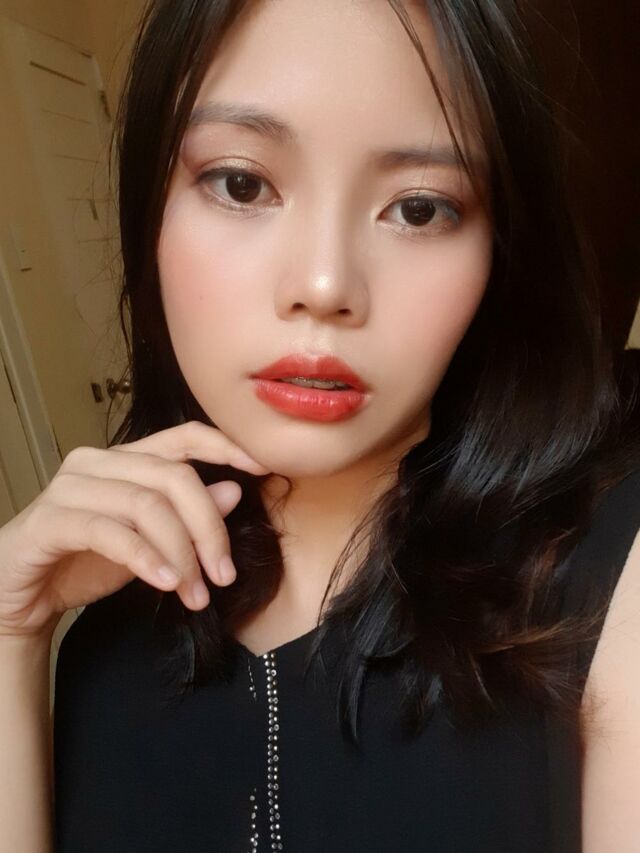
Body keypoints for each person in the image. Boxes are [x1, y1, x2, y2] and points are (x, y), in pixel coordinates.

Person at [0, 0, 638, 850]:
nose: (326, 283)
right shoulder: (104, 636)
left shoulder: (605, 584)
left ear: (498, 253)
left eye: (420, 208)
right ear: (149, 211)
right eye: (241, 183)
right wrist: (9, 632)